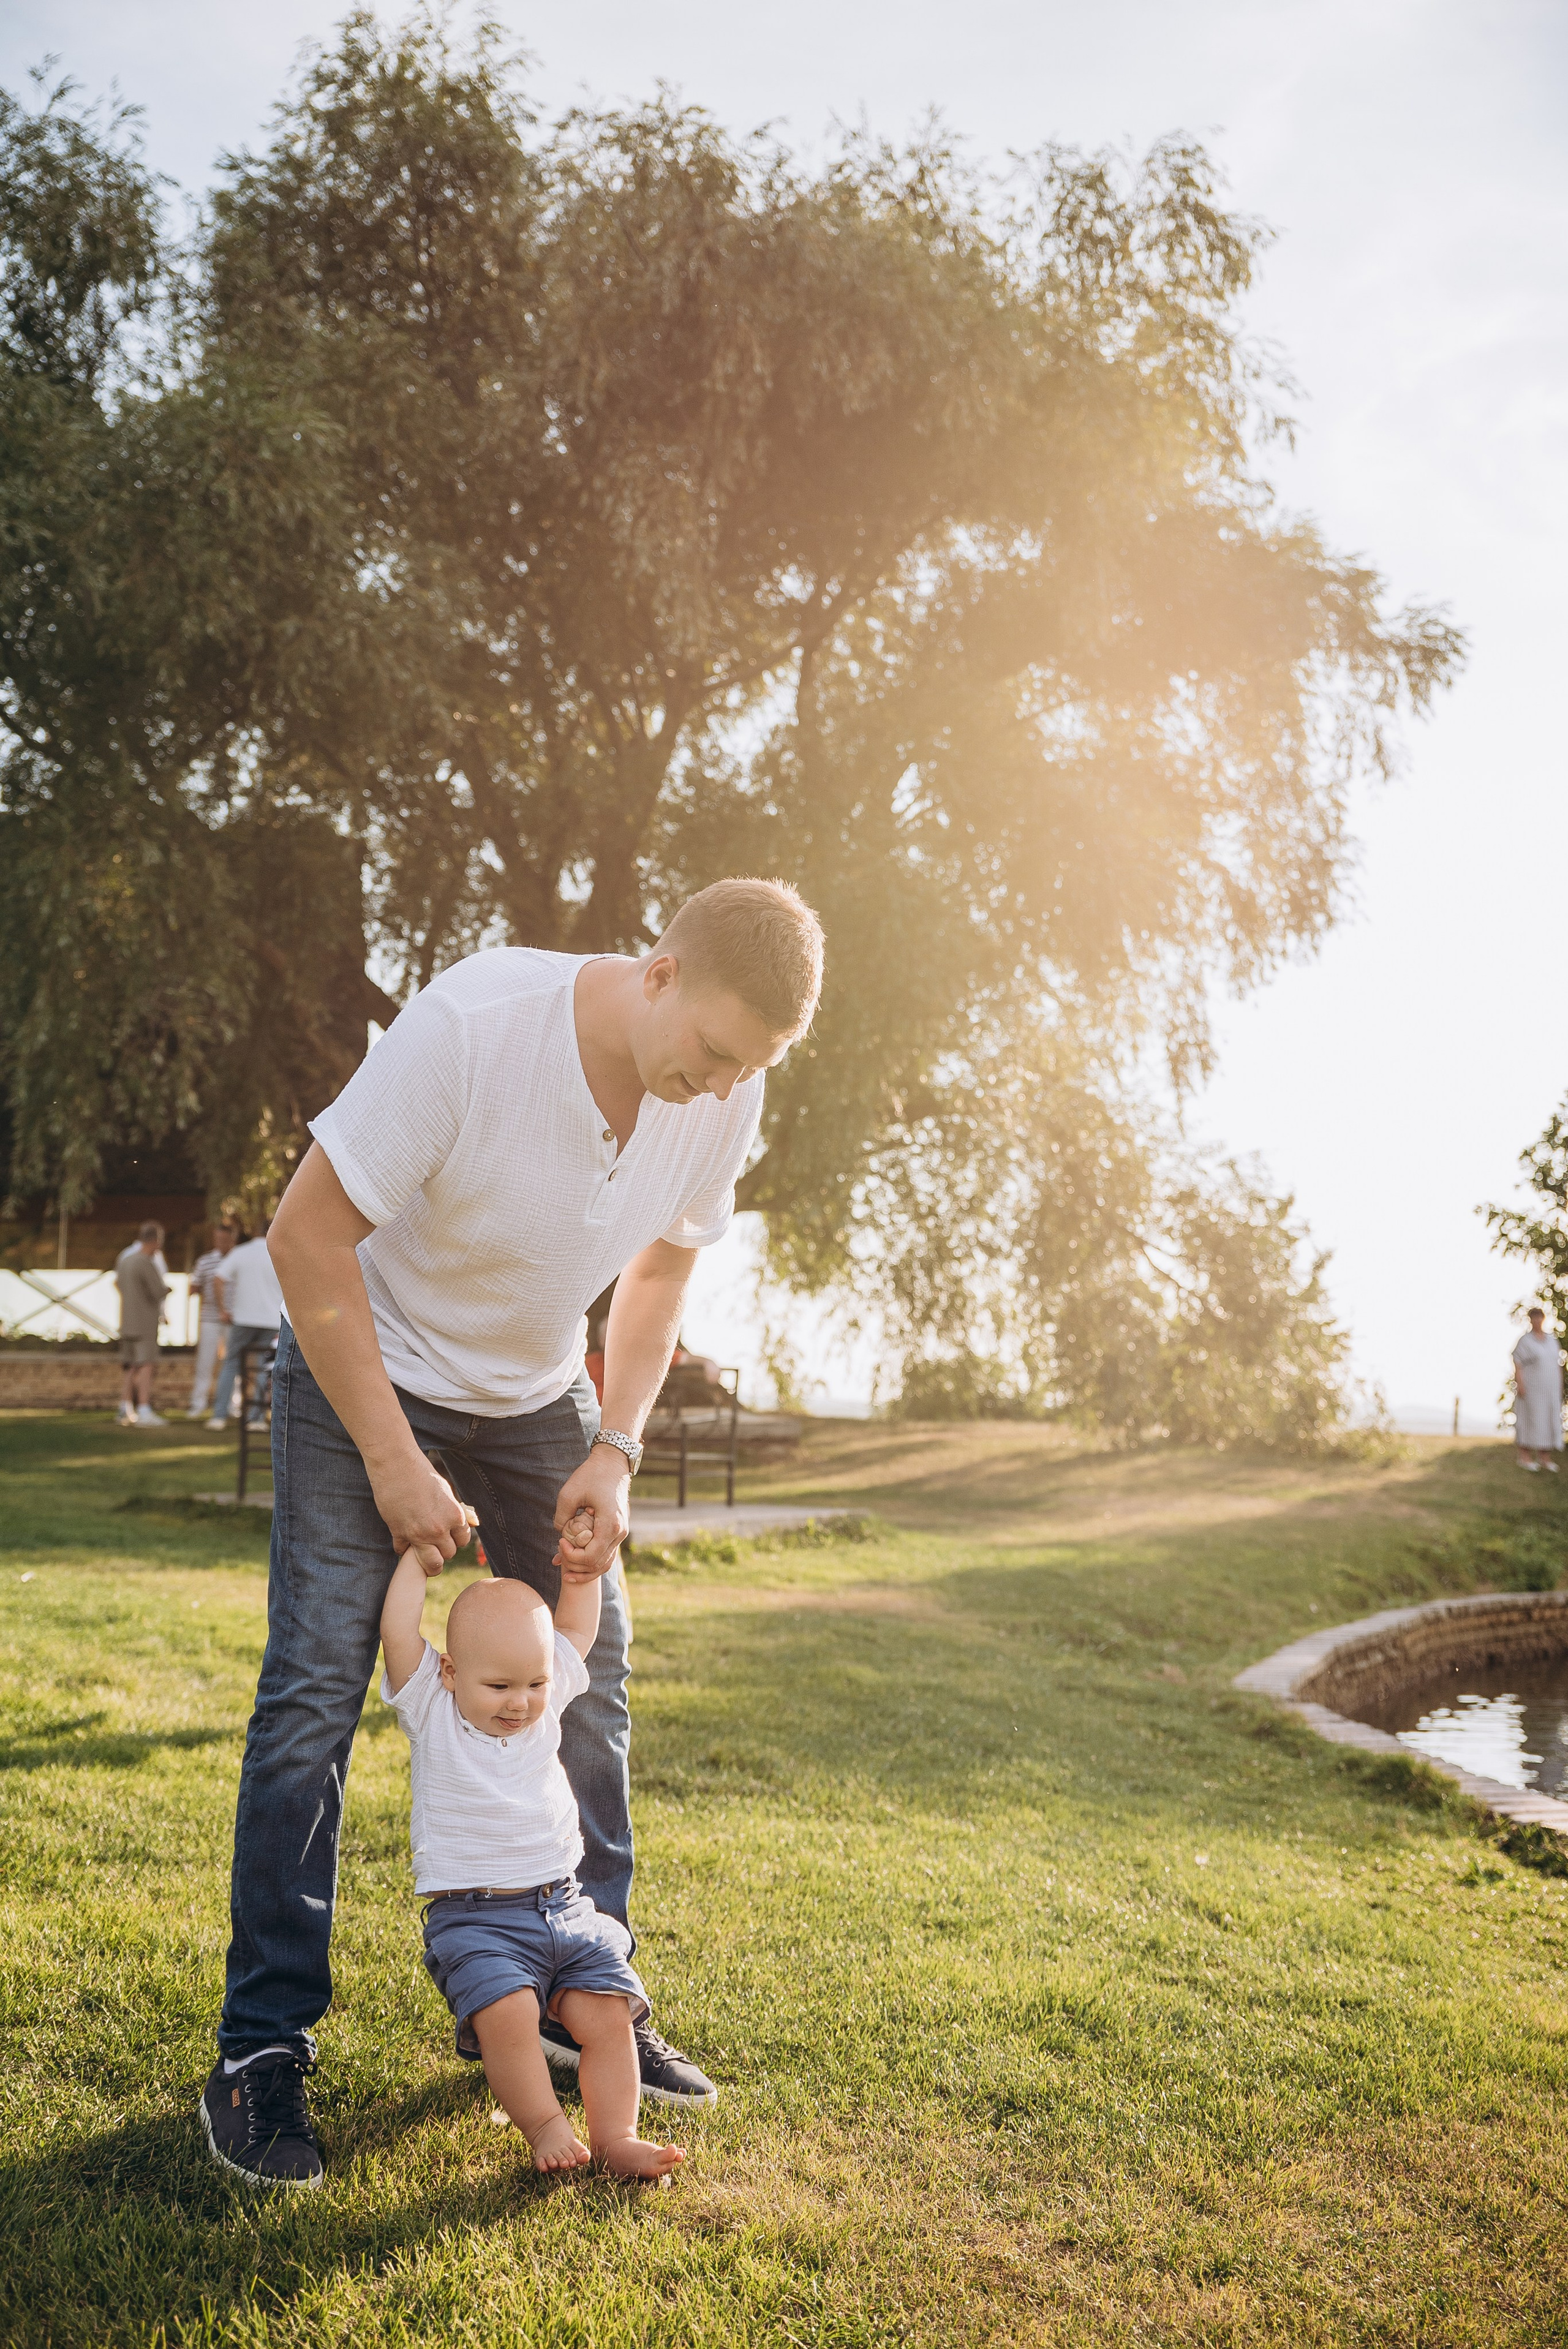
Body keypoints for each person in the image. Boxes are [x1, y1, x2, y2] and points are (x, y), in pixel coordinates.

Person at [200, 877, 823, 2188]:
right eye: (710, 1053)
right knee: (316, 1691)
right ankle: (263, 2050)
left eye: (746, 1070)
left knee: (587, 1693)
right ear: (656, 971)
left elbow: (657, 1270)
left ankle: (586, 1996)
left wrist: (617, 1445)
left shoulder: (727, 1087)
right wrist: (390, 1456)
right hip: (367, 1365)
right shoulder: (474, 1025)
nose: (718, 1091)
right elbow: (304, 1235)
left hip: (544, 1393)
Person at [377, 1519, 682, 2184]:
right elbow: (399, 1635)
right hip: (477, 1919)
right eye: (500, 1688)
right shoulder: (432, 1704)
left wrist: (581, 1578)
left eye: (534, 1685)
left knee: (608, 2014)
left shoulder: (545, 1698)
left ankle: (617, 2135)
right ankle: (546, 2125)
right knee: (508, 2015)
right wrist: (417, 1561)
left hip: (566, 1905)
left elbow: (575, 1636)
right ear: (452, 1672)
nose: (521, 1703)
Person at [208, 1221, 284, 1431]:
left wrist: (223, 1308)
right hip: (271, 1320)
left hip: (243, 1319)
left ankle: (219, 1416)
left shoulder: (241, 1252)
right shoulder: (279, 1251)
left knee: (231, 1363)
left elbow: (219, 1278)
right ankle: (256, 1419)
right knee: (262, 1367)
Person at [115, 1221, 169, 1428]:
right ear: (155, 1241)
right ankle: (144, 1408)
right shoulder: (146, 1263)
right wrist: (168, 1290)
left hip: (127, 1320)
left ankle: (124, 1407)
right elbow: (157, 1291)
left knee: (130, 1366)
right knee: (147, 1364)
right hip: (145, 1322)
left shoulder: (125, 1261)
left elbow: (118, 1284)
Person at [187, 1222, 239, 1420]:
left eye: (225, 1239)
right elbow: (194, 1286)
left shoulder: (239, 1259)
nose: (221, 1243)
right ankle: (198, 1403)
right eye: (218, 1239)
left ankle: (234, 1405)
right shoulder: (205, 1261)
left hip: (234, 1320)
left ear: (232, 1239)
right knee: (205, 1362)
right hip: (210, 1319)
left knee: (232, 1363)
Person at [1512, 1307, 1562, 1472]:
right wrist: (1520, 1384)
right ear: (1530, 1320)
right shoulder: (1526, 1341)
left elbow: (1557, 1364)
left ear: (1543, 1318)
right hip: (1532, 1390)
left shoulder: (1552, 1340)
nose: (1537, 1321)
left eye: (1539, 1317)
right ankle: (1525, 1458)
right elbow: (1517, 1362)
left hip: (1551, 1391)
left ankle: (1545, 1459)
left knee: (1548, 1422)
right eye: (1534, 1318)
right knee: (1529, 1421)